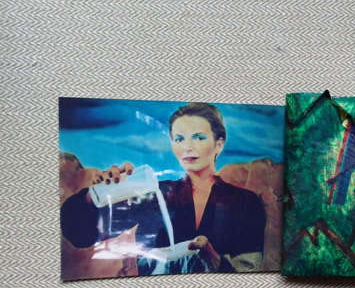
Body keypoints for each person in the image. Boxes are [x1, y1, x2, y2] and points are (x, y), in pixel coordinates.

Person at [60, 102, 266, 274]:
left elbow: (250, 273)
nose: (188, 146)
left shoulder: (245, 203)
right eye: (179, 139)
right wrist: (94, 196)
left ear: (219, 144)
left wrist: (214, 260)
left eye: (199, 137)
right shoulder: (153, 195)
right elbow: (79, 234)